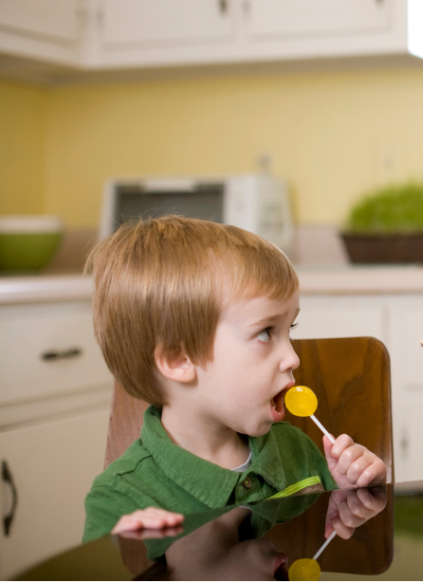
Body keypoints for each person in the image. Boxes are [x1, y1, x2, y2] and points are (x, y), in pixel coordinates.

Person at [82, 216, 386, 542]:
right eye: (266, 332)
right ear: (179, 359)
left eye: (289, 330)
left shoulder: (299, 453)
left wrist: (355, 494)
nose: (293, 358)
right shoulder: (119, 499)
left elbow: (338, 543)